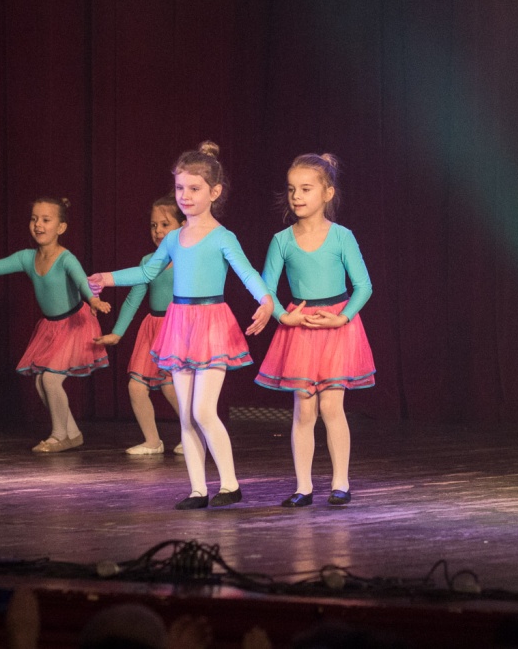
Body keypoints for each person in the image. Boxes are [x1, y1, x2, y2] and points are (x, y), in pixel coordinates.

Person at [89, 142, 273, 509]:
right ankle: (198, 490)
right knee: (187, 415)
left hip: (211, 324)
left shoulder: (222, 237)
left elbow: (247, 273)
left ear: (214, 192)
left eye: (194, 188)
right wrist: (108, 278)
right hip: (180, 323)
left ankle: (230, 484)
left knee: (203, 410)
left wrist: (265, 300)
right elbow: (146, 272)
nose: (185, 196)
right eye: (179, 188)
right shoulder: (174, 238)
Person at [0, 198, 111, 452]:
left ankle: (59, 436)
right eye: (34, 219)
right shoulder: (27, 258)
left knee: (50, 380)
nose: (38, 225)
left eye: (46, 220)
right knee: (40, 381)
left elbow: (82, 281)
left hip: (75, 324)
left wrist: (93, 299)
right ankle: (72, 433)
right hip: (52, 327)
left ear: (61, 227)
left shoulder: (66, 259)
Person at [255, 154, 375, 507]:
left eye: (306, 189)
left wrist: (343, 317)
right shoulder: (282, 240)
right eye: (292, 189)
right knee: (304, 410)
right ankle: (303, 486)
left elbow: (364, 286)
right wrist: (282, 316)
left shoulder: (341, 237)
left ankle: (341, 483)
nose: (297, 196)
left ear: (327, 193)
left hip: (336, 327)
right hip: (301, 327)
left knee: (332, 406)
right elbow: (265, 288)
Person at [94, 195, 185, 455]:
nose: (158, 231)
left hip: (176, 327)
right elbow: (134, 298)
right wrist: (117, 333)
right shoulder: (148, 261)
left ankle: (194, 436)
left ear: (182, 225)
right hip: (152, 328)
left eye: (165, 224)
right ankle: (152, 441)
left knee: (171, 387)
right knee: (136, 385)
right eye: (153, 225)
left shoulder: (188, 260)